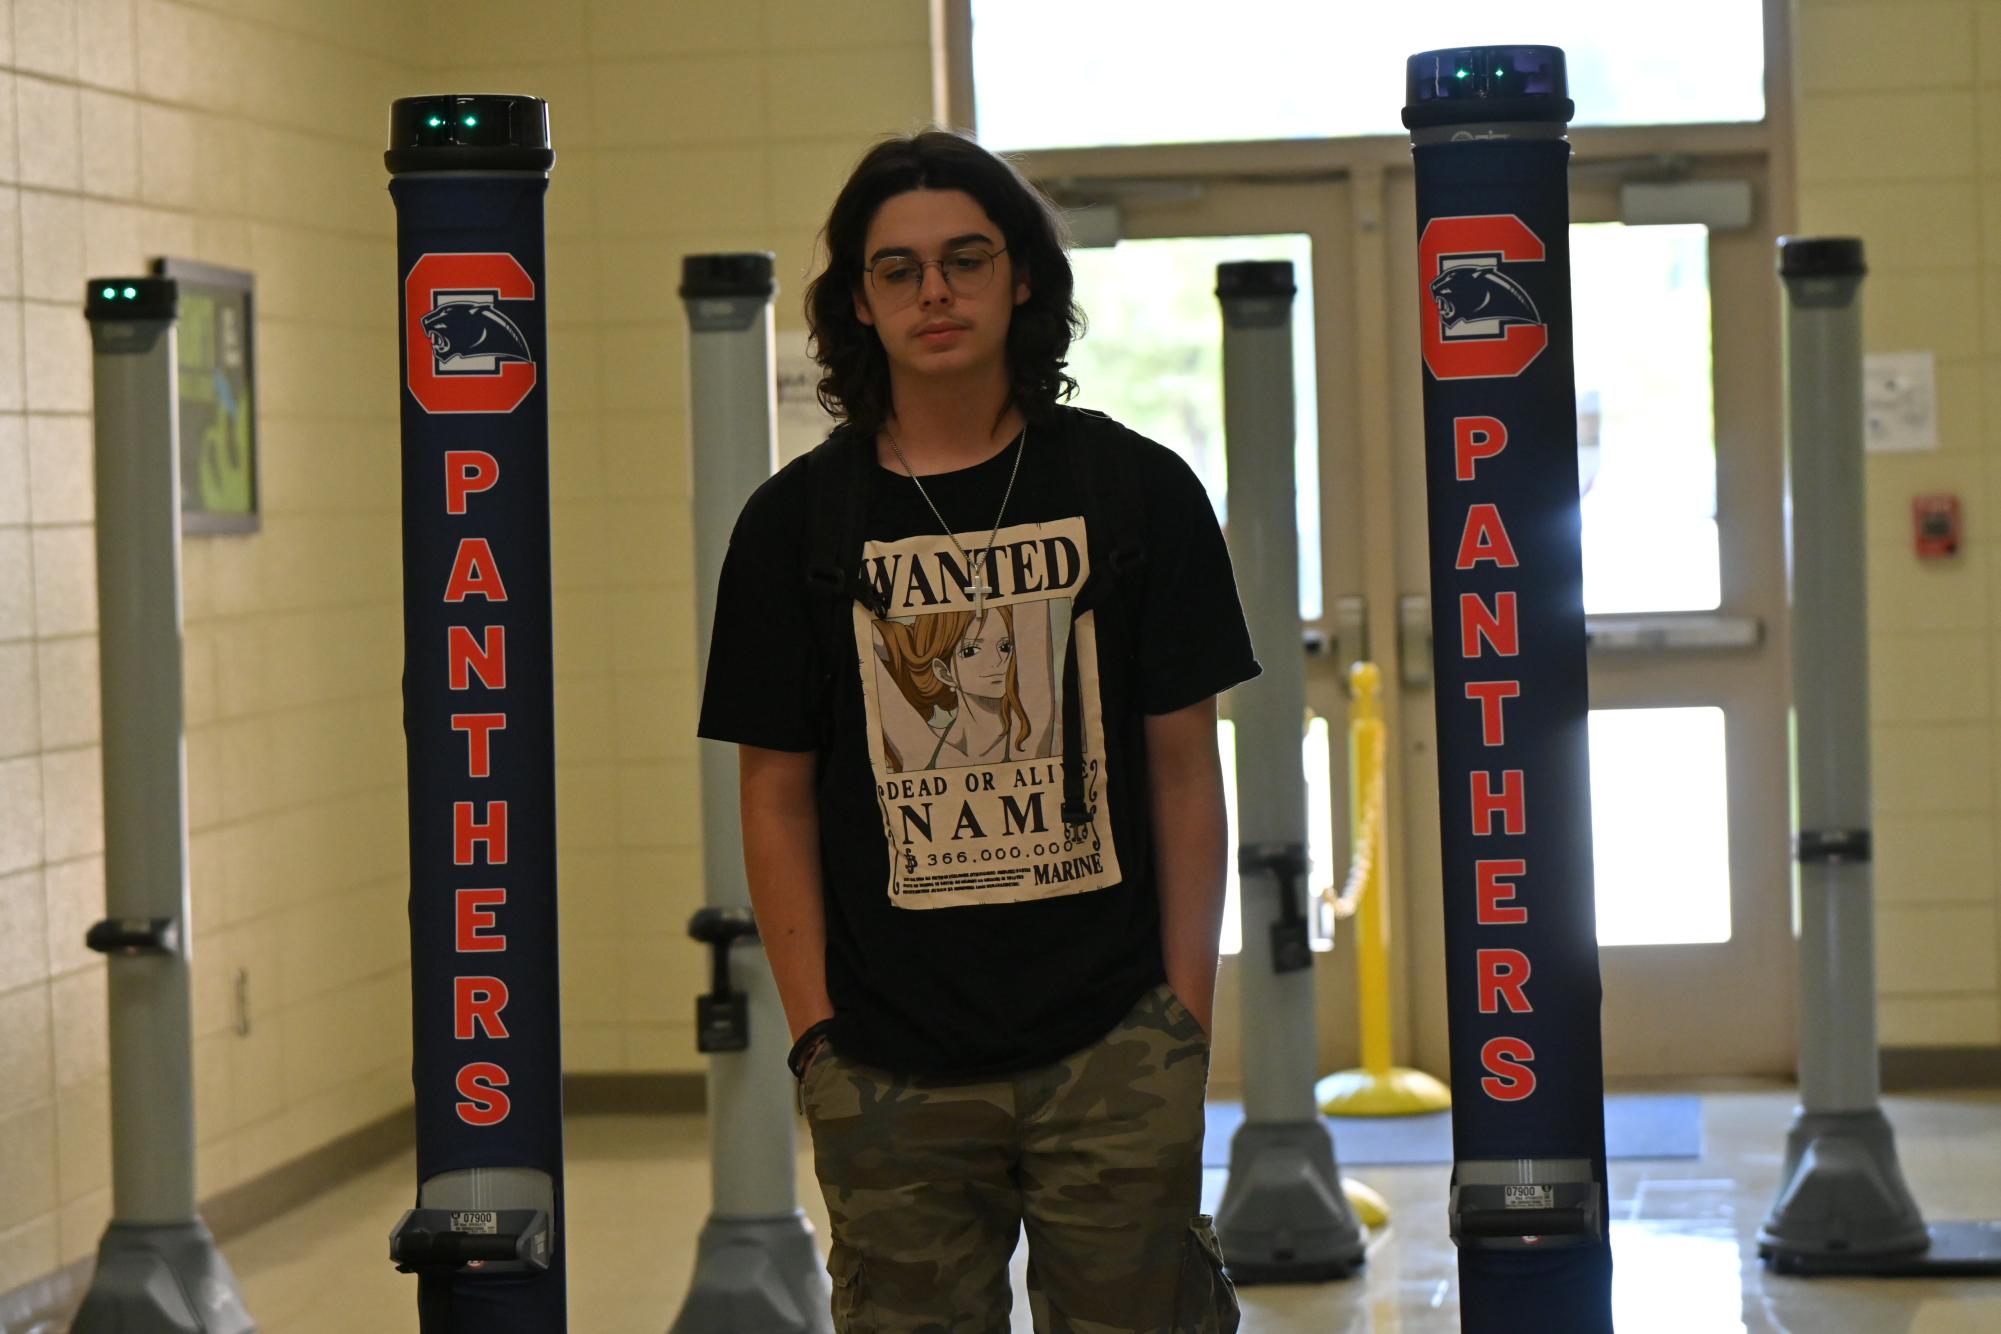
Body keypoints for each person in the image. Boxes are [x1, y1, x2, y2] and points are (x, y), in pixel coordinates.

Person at [698, 128, 1256, 1333]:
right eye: (898, 268)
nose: (934, 290)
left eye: (964, 258)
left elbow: (1183, 774)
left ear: (1021, 280)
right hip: (888, 1061)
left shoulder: (1137, 490)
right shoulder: (795, 524)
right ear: (860, 299)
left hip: (1112, 1040)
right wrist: (818, 1046)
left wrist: (1181, 1023)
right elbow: (775, 797)